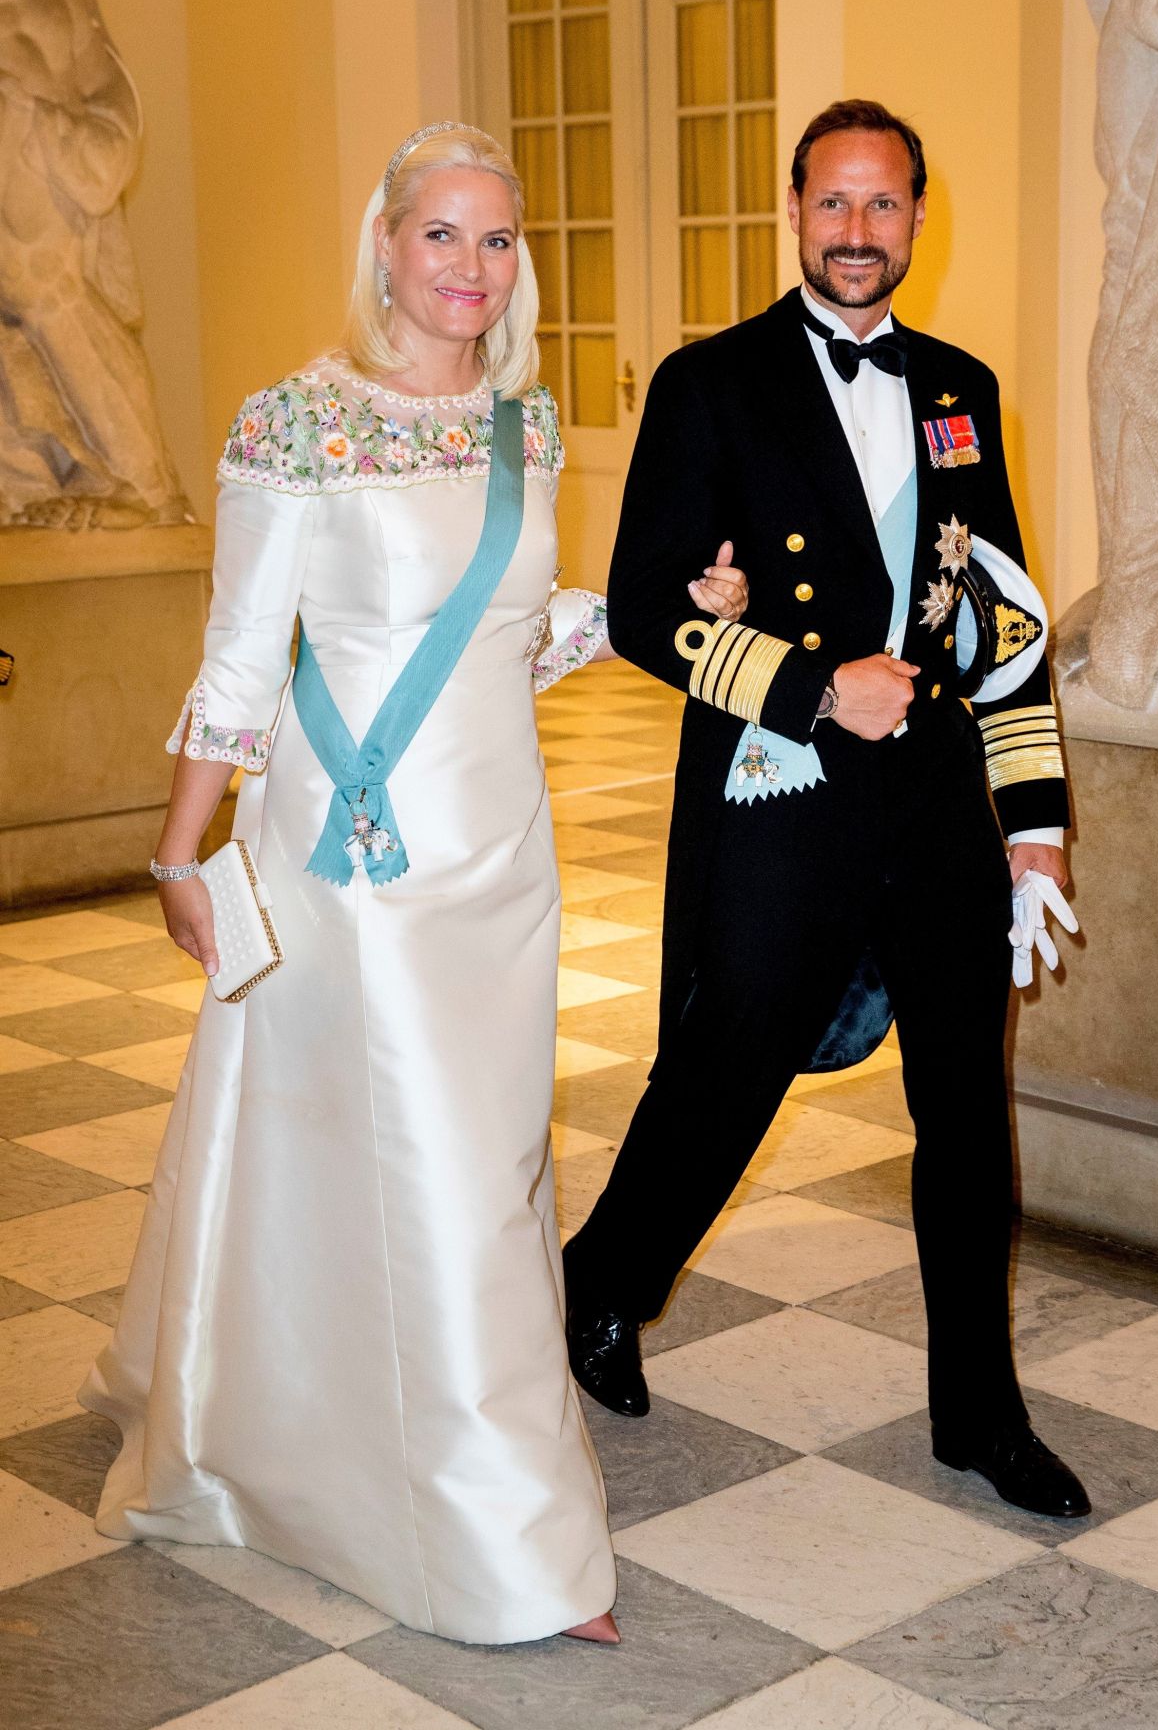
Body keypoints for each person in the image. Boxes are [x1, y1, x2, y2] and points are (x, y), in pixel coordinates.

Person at [79, 123, 749, 1645]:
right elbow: (240, 660)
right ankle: (502, 1538)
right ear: (384, 244)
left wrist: (652, 607)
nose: (471, 265)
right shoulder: (295, 422)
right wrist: (181, 851)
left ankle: (334, 1423)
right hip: (356, 862)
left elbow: (510, 632)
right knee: (446, 1180)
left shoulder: (526, 425)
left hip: (502, 853)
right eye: (441, 233)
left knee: (493, 1163)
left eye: (496, 238)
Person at [564, 99, 1092, 1521]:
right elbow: (637, 610)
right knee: (724, 1070)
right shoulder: (710, 382)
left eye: (885, 204)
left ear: (918, 216)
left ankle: (979, 1413)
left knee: (966, 1109)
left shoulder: (962, 386)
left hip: (936, 807)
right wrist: (809, 687)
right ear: (794, 211)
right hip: (783, 793)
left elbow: (1008, 622)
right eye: (834, 203)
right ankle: (601, 1280)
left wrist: (1034, 820)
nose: (858, 231)